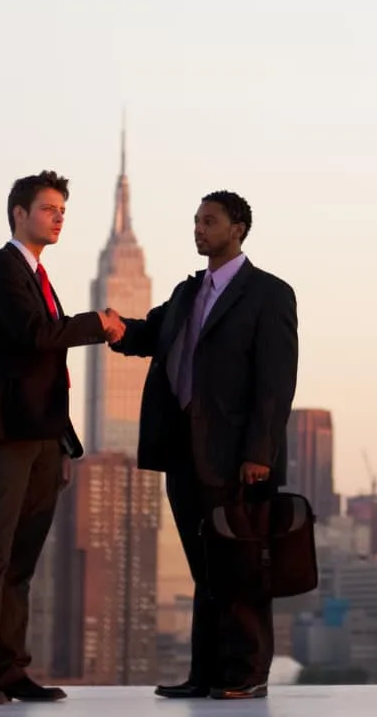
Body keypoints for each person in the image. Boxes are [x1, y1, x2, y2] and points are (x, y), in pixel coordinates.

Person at [111, 191, 299, 702]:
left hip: (238, 457)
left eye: (209, 221)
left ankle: (246, 673)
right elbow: (152, 333)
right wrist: (115, 328)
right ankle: (206, 673)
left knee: (240, 568)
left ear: (237, 228)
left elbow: (275, 382)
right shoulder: (186, 293)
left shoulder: (269, 294)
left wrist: (259, 452)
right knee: (205, 567)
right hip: (184, 451)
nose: (198, 229)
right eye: (195, 221)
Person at [0, 171, 122, 706]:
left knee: (21, 562)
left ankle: (8, 670)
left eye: (62, 210)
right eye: (49, 208)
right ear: (19, 213)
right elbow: (35, 336)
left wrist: (61, 444)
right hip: (6, 432)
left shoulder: (39, 276)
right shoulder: (1, 268)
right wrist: (98, 324)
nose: (58, 217)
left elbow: (46, 366)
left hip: (42, 437)